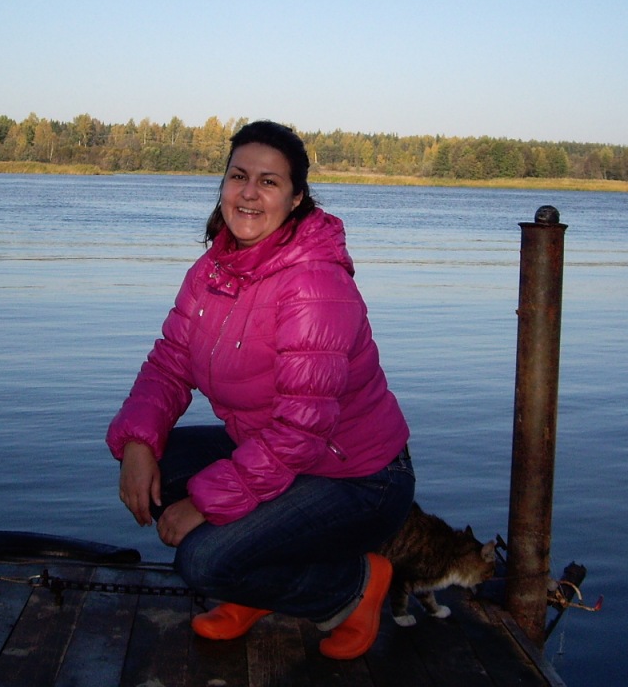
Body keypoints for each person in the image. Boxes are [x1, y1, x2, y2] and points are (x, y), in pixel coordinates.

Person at [106, 120, 413, 660]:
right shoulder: (213, 269)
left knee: (203, 561)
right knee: (160, 467)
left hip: (357, 477)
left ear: (295, 199)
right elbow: (170, 362)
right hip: (278, 451)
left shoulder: (313, 284)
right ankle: (257, 582)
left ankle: (351, 588)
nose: (249, 193)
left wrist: (206, 505)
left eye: (269, 182)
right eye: (238, 176)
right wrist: (137, 442)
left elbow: (301, 430)